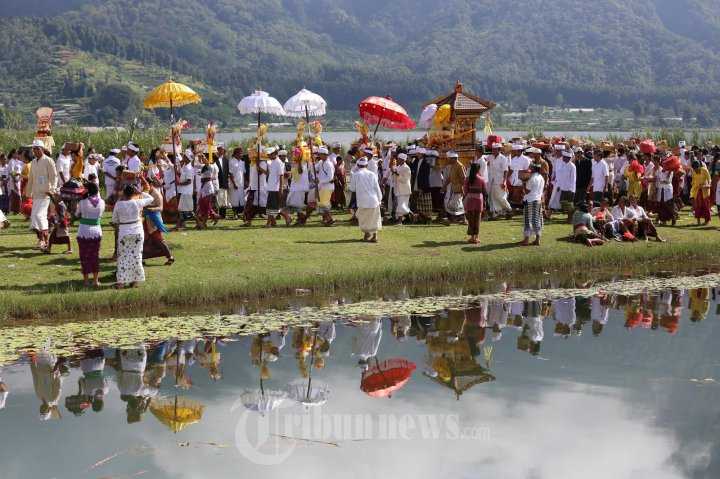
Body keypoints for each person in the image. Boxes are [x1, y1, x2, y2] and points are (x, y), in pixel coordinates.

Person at [111, 177, 155, 288]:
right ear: (133, 193)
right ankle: (135, 281)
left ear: (123, 193)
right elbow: (150, 198)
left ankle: (121, 282)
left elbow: (114, 220)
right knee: (136, 256)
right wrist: (140, 192)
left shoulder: (118, 204)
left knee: (123, 256)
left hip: (124, 231)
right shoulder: (138, 202)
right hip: (137, 230)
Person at [27, 140, 58, 251]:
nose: (35, 151)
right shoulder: (33, 162)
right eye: (34, 149)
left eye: (37, 148)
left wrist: (52, 189)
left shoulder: (48, 160)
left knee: (40, 216)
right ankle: (42, 240)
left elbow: (54, 176)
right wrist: (27, 192)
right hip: (36, 194)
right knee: (34, 219)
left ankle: (45, 240)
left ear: (42, 149)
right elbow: (31, 178)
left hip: (45, 193)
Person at [76, 182, 105, 287]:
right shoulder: (102, 202)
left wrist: (82, 198)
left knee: (84, 256)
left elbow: (76, 214)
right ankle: (96, 281)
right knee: (95, 256)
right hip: (97, 231)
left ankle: (86, 281)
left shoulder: (82, 202)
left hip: (83, 231)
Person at [349, 157, 382, 242]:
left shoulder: (356, 175)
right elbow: (377, 188)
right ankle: (373, 236)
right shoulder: (372, 174)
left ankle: (368, 234)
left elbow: (352, 188)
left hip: (363, 201)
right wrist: (380, 199)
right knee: (374, 218)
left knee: (364, 219)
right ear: (367, 165)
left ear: (358, 165)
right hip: (374, 200)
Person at [142, 177, 174, 265]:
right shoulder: (146, 192)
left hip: (154, 221)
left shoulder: (156, 194)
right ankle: (141, 259)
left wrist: (148, 209)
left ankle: (170, 257)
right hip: (146, 220)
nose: (143, 186)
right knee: (145, 240)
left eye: (144, 184)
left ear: (150, 184)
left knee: (158, 240)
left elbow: (160, 208)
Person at [521, 163, 545, 246]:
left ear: (534, 169)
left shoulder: (532, 178)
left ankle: (526, 240)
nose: (529, 168)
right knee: (537, 219)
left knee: (528, 220)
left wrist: (523, 183)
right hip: (538, 200)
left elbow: (527, 191)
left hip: (530, 200)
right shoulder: (541, 177)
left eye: (531, 167)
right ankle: (537, 239)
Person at [463, 160, 486, 244]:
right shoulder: (481, 179)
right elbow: (484, 191)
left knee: (471, 219)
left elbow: (465, 191)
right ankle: (476, 237)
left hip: (470, 200)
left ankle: (472, 237)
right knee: (477, 219)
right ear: (478, 170)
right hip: (479, 200)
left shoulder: (467, 179)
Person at [486, 143, 511, 219]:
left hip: (500, 180)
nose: (493, 151)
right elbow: (485, 162)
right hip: (491, 180)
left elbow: (506, 171)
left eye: (494, 149)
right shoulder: (490, 157)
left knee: (500, 196)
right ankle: (496, 213)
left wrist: (504, 181)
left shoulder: (503, 158)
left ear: (499, 150)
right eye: (492, 149)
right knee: (492, 196)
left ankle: (508, 209)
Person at [442, 151, 466, 225]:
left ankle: (460, 219)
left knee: (455, 205)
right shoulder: (453, 165)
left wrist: (462, 188)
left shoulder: (459, 166)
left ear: (454, 158)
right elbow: (450, 178)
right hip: (453, 188)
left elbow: (463, 178)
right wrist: (444, 186)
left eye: (449, 159)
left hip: (458, 189)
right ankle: (455, 219)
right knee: (454, 204)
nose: (448, 160)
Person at [265, 147, 286, 227]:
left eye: (270, 154)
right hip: (270, 187)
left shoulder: (278, 162)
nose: (268, 156)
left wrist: (281, 188)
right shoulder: (272, 162)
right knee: (271, 207)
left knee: (272, 207)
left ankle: (269, 223)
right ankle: (274, 222)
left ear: (274, 154)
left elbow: (281, 176)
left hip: (275, 188)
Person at [315, 146, 336, 226]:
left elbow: (330, 178)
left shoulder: (329, 164)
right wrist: (311, 162)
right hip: (322, 187)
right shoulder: (321, 162)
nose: (319, 156)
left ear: (324, 154)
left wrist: (320, 181)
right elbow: (315, 168)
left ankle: (330, 219)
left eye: (320, 154)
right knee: (322, 204)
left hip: (327, 187)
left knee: (324, 204)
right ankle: (325, 219)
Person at [196, 164, 220, 229]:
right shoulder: (203, 167)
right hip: (203, 189)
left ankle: (203, 224)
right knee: (202, 207)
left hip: (208, 190)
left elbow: (207, 163)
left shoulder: (210, 168)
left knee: (206, 209)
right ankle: (215, 216)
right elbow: (195, 165)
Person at [508, 143, 531, 209]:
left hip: (522, 179)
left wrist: (524, 179)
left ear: (521, 151)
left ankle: (521, 207)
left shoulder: (526, 159)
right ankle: (518, 207)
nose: (516, 152)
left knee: (521, 194)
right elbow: (511, 169)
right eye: (515, 150)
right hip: (514, 179)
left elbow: (527, 170)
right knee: (516, 194)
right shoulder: (513, 159)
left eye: (518, 150)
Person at [392, 152, 412, 224]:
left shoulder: (407, 168)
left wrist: (397, 174)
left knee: (401, 205)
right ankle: (413, 215)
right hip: (398, 189)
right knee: (401, 205)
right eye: (398, 159)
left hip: (404, 190)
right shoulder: (398, 167)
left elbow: (405, 180)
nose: (398, 160)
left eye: (400, 159)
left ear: (403, 160)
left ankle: (400, 221)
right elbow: (395, 178)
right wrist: (394, 173)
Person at [176, 155, 194, 230]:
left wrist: (179, 184)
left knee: (188, 209)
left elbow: (189, 181)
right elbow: (180, 174)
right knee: (181, 209)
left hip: (186, 191)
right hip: (183, 191)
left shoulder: (189, 168)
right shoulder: (185, 166)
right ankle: (181, 224)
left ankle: (199, 222)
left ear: (187, 158)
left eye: (184, 157)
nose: (183, 158)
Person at [690, 159, 711, 225]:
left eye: (696, 168)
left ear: (699, 166)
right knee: (697, 206)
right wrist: (693, 186)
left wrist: (707, 185)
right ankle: (698, 221)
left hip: (705, 190)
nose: (696, 170)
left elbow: (709, 179)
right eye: (694, 168)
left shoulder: (704, 170)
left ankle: (707, 221)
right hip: (696, 190)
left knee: (706, 205)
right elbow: (693, 181)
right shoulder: (693, 172)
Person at [227, 147, 245, 219]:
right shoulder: (231, 162)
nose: (241, 155)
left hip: (241, 183)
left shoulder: (242, 162)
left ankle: (240, 214)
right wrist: (234, 184)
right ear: (236, 154)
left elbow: (243, 173)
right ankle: (235, 214)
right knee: (234, 200)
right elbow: (230, 174)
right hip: (234, 184)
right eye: (240, 153)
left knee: (241, 199)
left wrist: (245, 182)